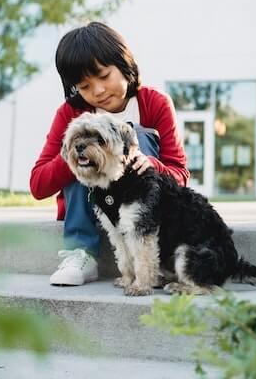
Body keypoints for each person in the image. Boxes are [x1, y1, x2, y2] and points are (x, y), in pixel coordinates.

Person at [30, 22, 189, 286]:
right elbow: (38, 185)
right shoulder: (70, 114)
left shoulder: (155, 103)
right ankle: (80, 253)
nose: (98, 91)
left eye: (104, 76)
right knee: (79, 150)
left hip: (143, 213)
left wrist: (150, 164)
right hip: (92, 210)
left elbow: (180, 175)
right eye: (84, 86)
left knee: (137, 135)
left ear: (124, 64)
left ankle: (149, 259)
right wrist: (76, 150)